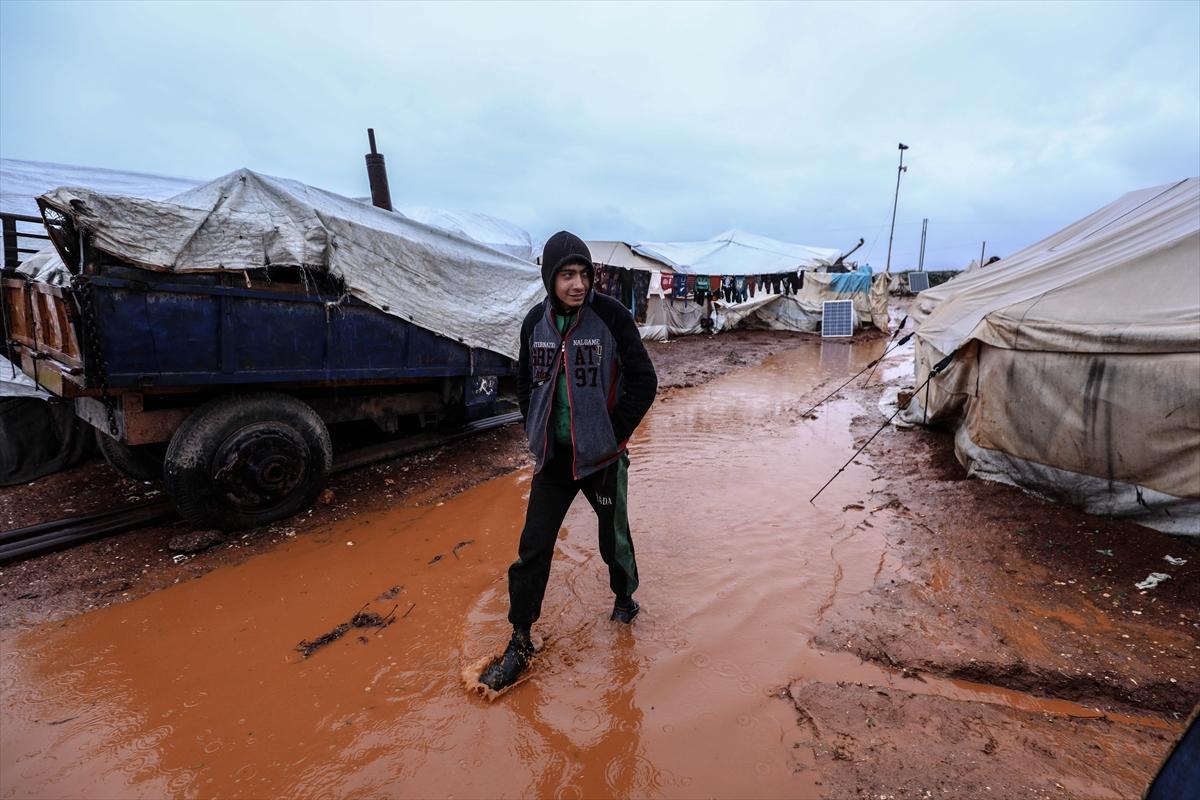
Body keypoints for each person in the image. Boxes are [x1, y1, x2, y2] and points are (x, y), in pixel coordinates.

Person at [480, 231, 658, 692]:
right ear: (549, 277)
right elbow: (524, 383)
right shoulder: (533, 324)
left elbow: (644, 380)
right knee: (532, 548)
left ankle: (625, 598)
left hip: (601, 458)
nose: (578, 284)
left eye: (583, 274)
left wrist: (612, 435)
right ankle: (520, 639)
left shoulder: (611, 317)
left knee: (613, 537)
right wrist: (532, 428)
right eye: (567, 275)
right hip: (554, 459)